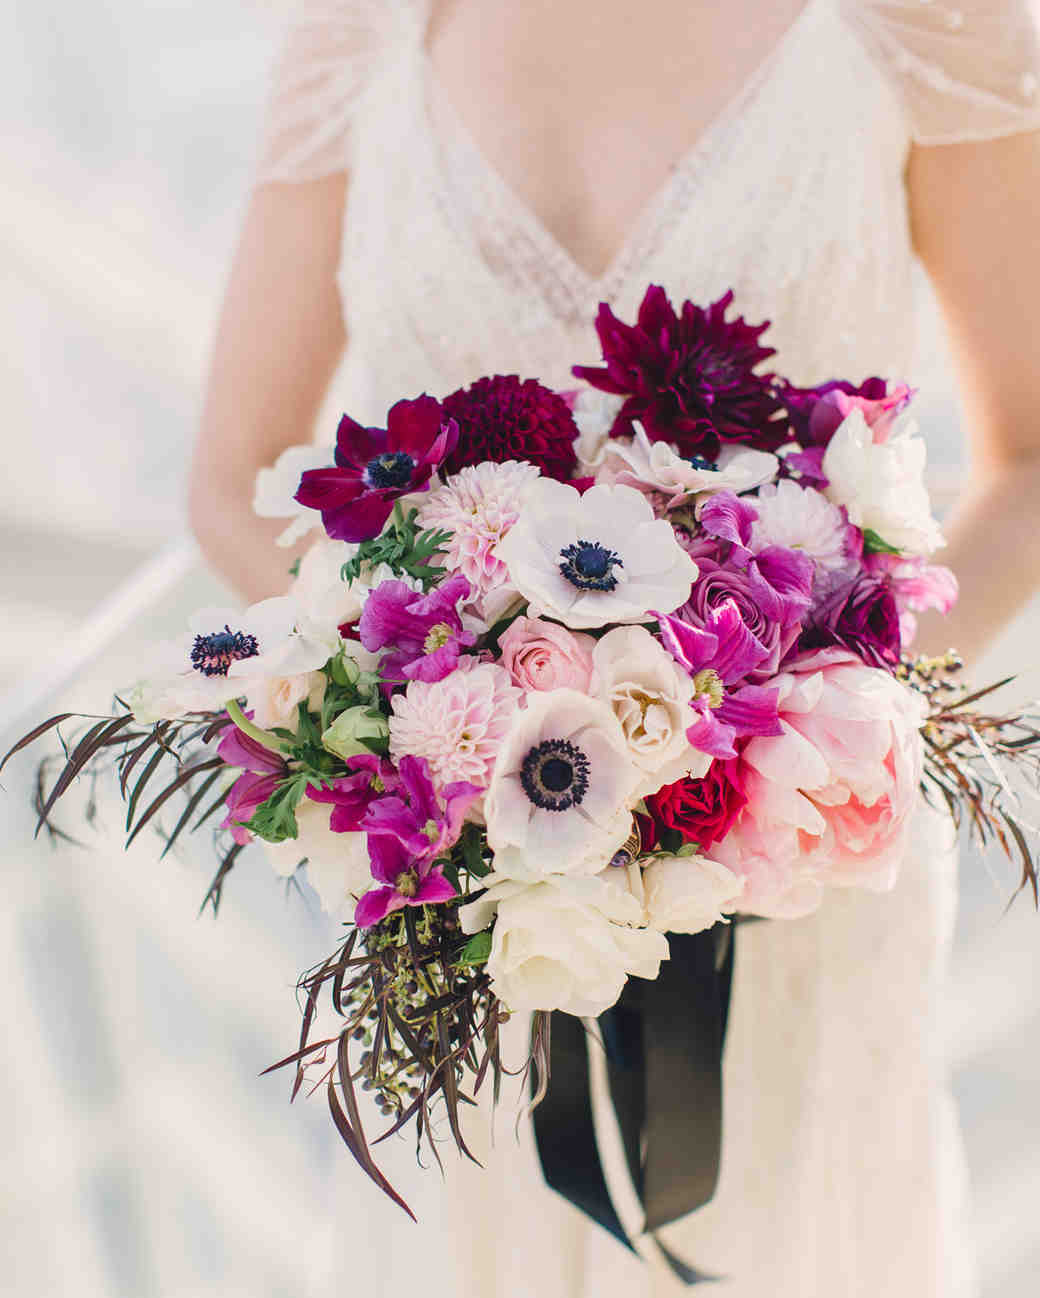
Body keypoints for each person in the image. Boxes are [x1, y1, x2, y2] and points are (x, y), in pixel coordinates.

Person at [188, 2, 1040, 1294]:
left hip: (798, 878)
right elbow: (231, 475)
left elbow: (1031, 458)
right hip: (468, 909)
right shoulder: (360, 30)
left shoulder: (921, 19)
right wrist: (414, 720)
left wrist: (802, 725)